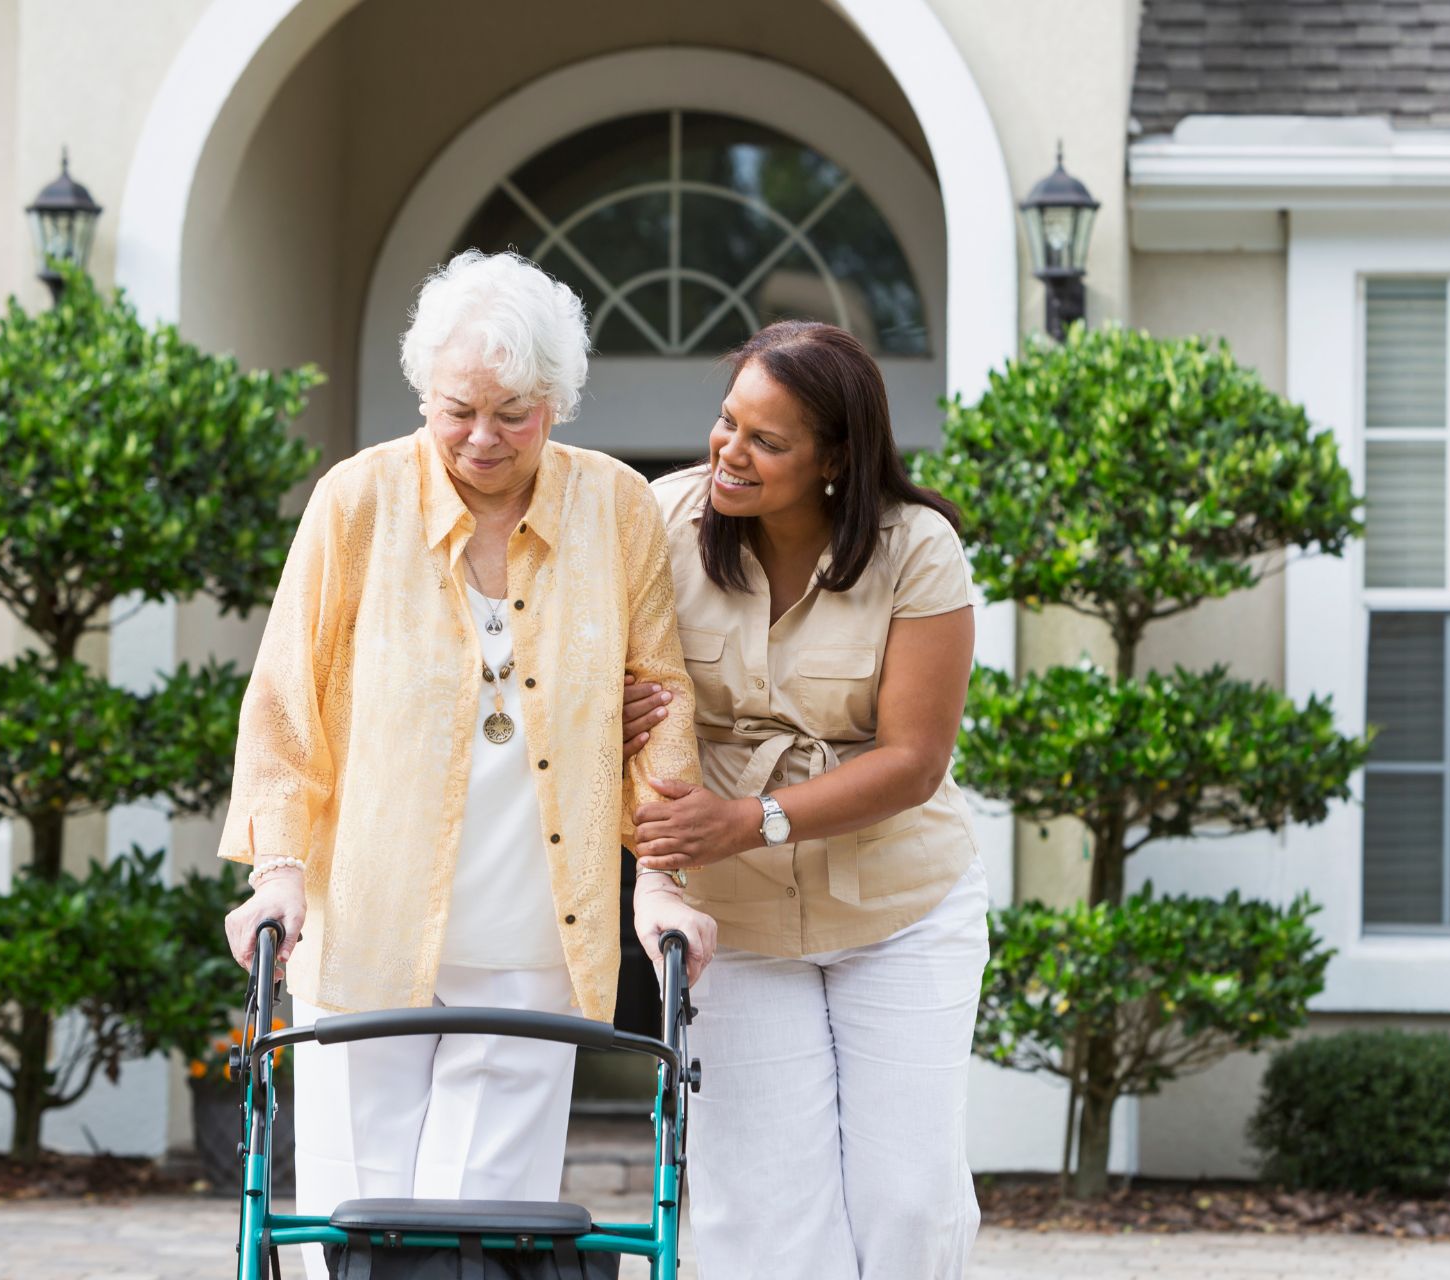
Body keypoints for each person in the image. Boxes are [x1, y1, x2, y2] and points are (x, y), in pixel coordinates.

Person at [215, 249, 715, 1277]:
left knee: (483, 1239)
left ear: (558, 401)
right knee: (354, 1232)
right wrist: (276, 872)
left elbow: (660, 702)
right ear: (422, 390)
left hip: (533, 942)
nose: (482, 438)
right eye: (457, 410)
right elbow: (282, 705)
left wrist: (659, 880)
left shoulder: (615, 511)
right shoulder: (355, 502)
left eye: (515, 412)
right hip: (364, 936)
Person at [626, 320, 988, 1279]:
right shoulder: (660, 523)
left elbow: (914, 759)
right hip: (733, 923)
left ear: (835, 457)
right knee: (763, 1214)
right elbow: (589, 671)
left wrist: (750, 819)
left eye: (767, 441)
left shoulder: (918, 549)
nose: (728, 453)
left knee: (906, 1202)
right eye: (726, 421)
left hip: (901, 910)